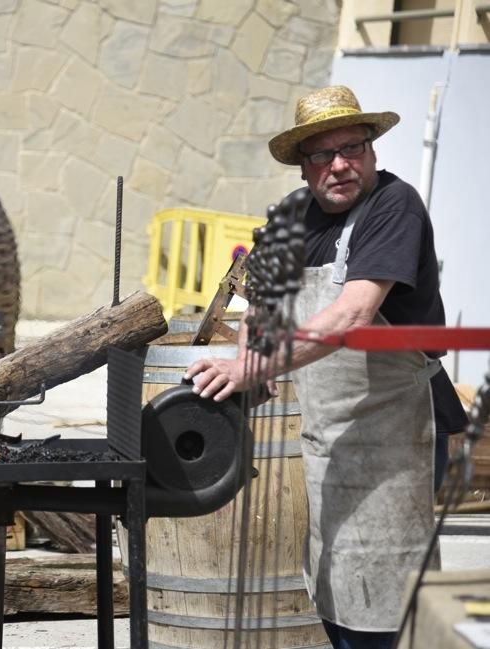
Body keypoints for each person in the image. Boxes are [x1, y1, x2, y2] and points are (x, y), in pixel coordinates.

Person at [185, 85, 467, 649]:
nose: (339, 165)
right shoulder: (292, 218)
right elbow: (260, 311)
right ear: (302, 165)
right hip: (326, 436)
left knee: (388, 592)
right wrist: (245, 359)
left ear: (372, 150)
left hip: (397, 433)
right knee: (337, 585)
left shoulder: (394, 205)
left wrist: (250, 367)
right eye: (322, 154)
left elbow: (354, 313)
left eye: (353, 148)